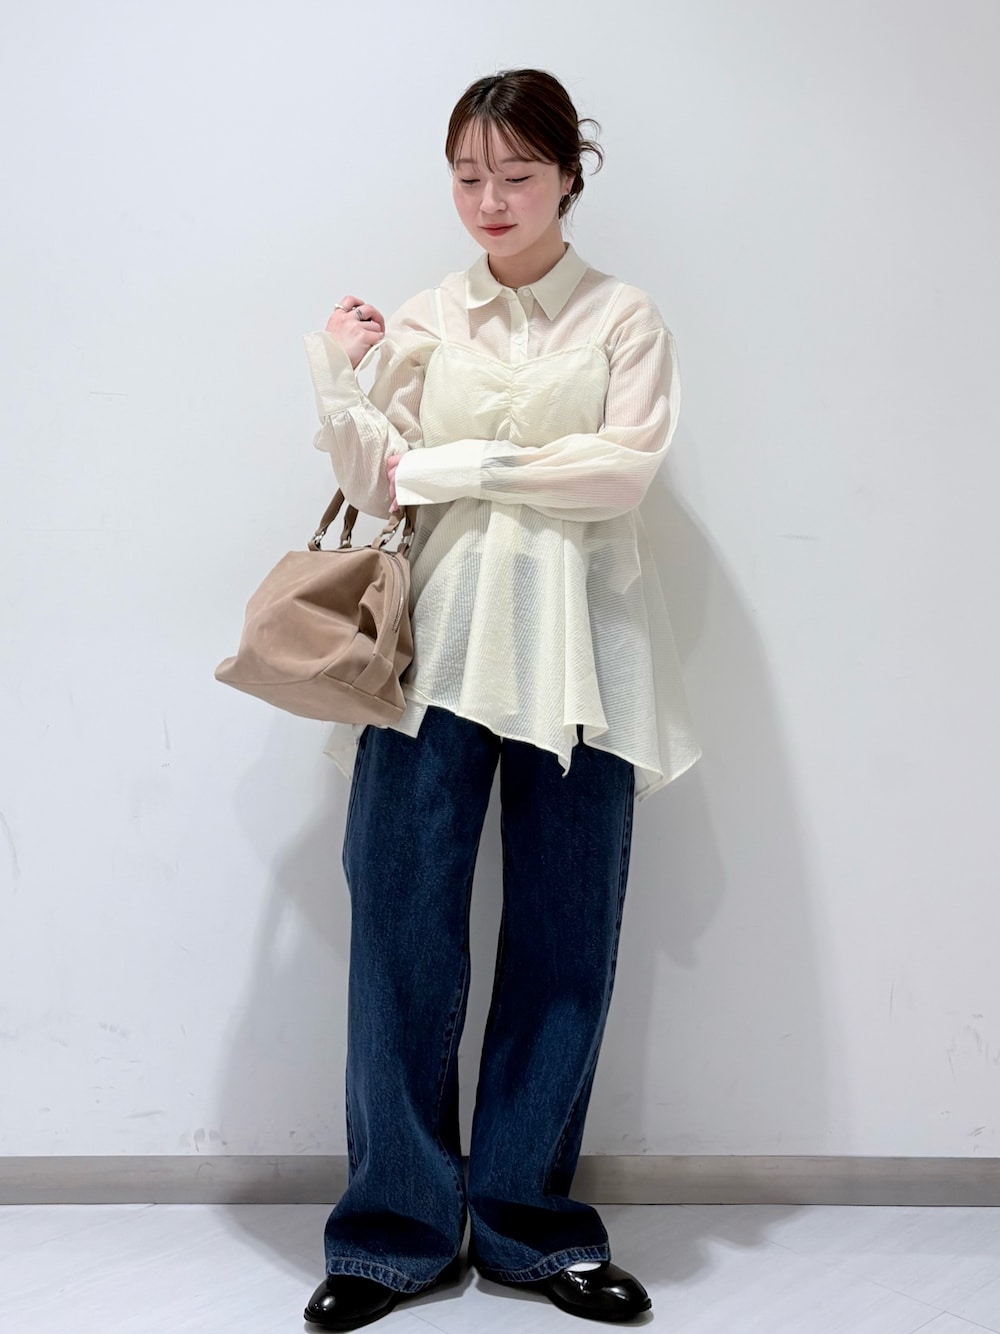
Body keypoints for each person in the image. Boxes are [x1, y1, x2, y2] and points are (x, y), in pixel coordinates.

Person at [300, 68, 702, 1329]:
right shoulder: (428, 317)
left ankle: (533, 1226)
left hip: (585, 663)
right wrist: (338, 375)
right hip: (435, 659)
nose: (489, 198)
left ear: (568, 176)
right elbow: (382, 480)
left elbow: (620, 474)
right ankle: (392, 1236)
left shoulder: (623, 318)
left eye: (516, 174)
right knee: (399, 937)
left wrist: (460, 462)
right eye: (468, 174)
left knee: (564, 941)